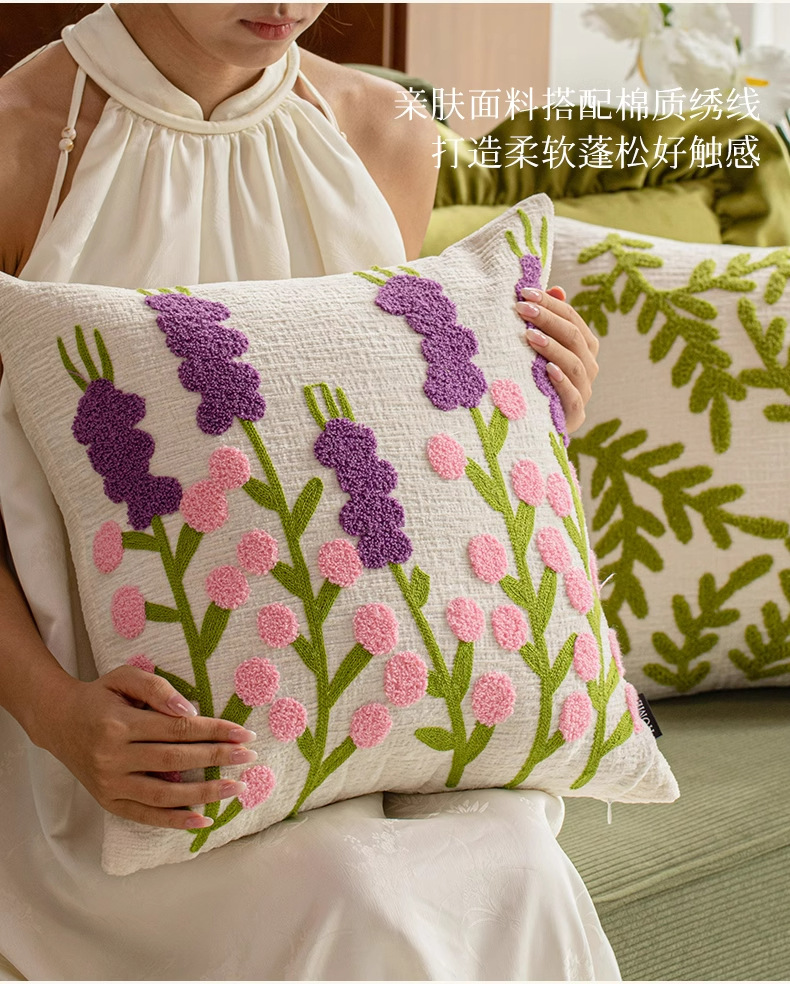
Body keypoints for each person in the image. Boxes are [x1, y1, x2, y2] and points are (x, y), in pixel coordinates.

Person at [0, 5, 613, 980]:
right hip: (113, 748)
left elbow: (387, 425)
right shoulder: (20, 141)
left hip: (377, 696)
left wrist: (525, 395)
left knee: (523, 872)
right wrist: (59, 717)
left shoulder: (385, 135)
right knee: (349, 896)